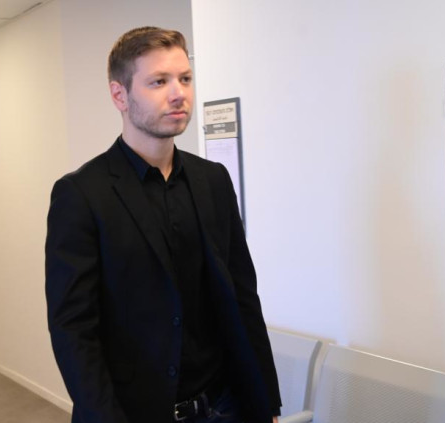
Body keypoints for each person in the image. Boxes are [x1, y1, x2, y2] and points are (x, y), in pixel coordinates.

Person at [45, 27, 281, 423]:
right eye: (158, 82)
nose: (178, 93)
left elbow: (242, 297)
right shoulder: (81, 194)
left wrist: (266, 402)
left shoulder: (212, 180)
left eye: (185, 78)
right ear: (119, 95)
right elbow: (74, 329)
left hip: (223, 407)